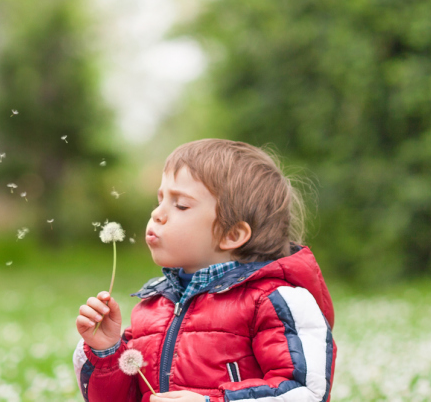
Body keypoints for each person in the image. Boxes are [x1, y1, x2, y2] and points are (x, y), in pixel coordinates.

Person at [73, 139, 336, 402]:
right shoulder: (153, 309)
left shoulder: (274, 302)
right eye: (160, 199)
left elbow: (305, 392)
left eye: (181, 205)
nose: (157, 214)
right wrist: (108, 352)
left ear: (232, 234)